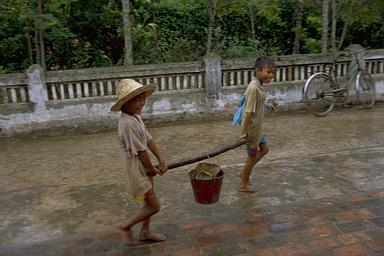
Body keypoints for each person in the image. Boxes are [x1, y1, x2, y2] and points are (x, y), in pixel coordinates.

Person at [111, 79, 168, 246]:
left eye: (143, 99)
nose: (142, 103)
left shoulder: (135, 117)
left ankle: (145, 232)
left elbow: (148, 139)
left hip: (143, 170)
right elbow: (142, 152)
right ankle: (125, 225)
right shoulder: (128, 123)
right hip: (137, 172)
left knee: (147, 203)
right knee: (154, 206)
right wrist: (151, 168)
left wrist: (161, 160)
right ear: (125, 102)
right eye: (137, 99)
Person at [238, 56, 276, 193]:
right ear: (258, 71)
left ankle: (244, 172)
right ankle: (243, 185)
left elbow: (255, 104)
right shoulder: (253, 88)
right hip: (252, 130)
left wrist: (266, 104)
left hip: (257, 128)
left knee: (264, 149)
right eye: (268, 72)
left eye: (273, 72)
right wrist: (244, 132)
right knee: (252, 156)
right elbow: (248, 112)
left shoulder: (258, 86)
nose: (271, 75)